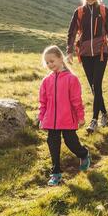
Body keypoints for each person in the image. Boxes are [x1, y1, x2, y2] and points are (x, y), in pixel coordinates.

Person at [66, 0, 108, 133]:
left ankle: (94, 120)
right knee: (94, 87)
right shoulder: (79, 12)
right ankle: (105, 114)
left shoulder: (103, 11)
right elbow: (72, 32)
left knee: (97, 84)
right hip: (86, 53)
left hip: (101, 52)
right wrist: (69, 51)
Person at [38, 45, 91, 186]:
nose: (50, 65)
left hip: (67, 119)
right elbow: (43, 102)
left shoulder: (71, 79)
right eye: (47, 62)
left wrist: (80, 117)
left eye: (52, 61)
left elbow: (76, 101)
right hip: (51, 122)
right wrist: (41, 118)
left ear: (61, 58)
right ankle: (56, 173)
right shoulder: (46, 81)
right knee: (53, 145)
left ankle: (84, 154)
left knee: (71, 143)